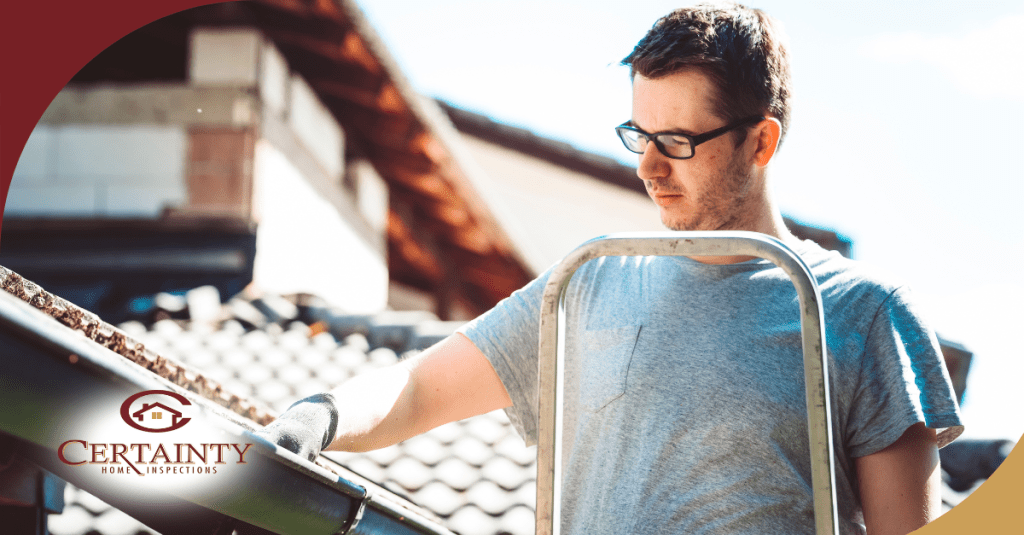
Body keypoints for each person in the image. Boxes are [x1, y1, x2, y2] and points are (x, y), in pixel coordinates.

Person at [256, 3, 964, 534]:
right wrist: (321, 415)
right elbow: (416, 388)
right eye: (639, 135)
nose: (648, 167)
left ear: (761, 140)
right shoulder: (588, 284)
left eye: (678, 141)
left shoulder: (859, 314)